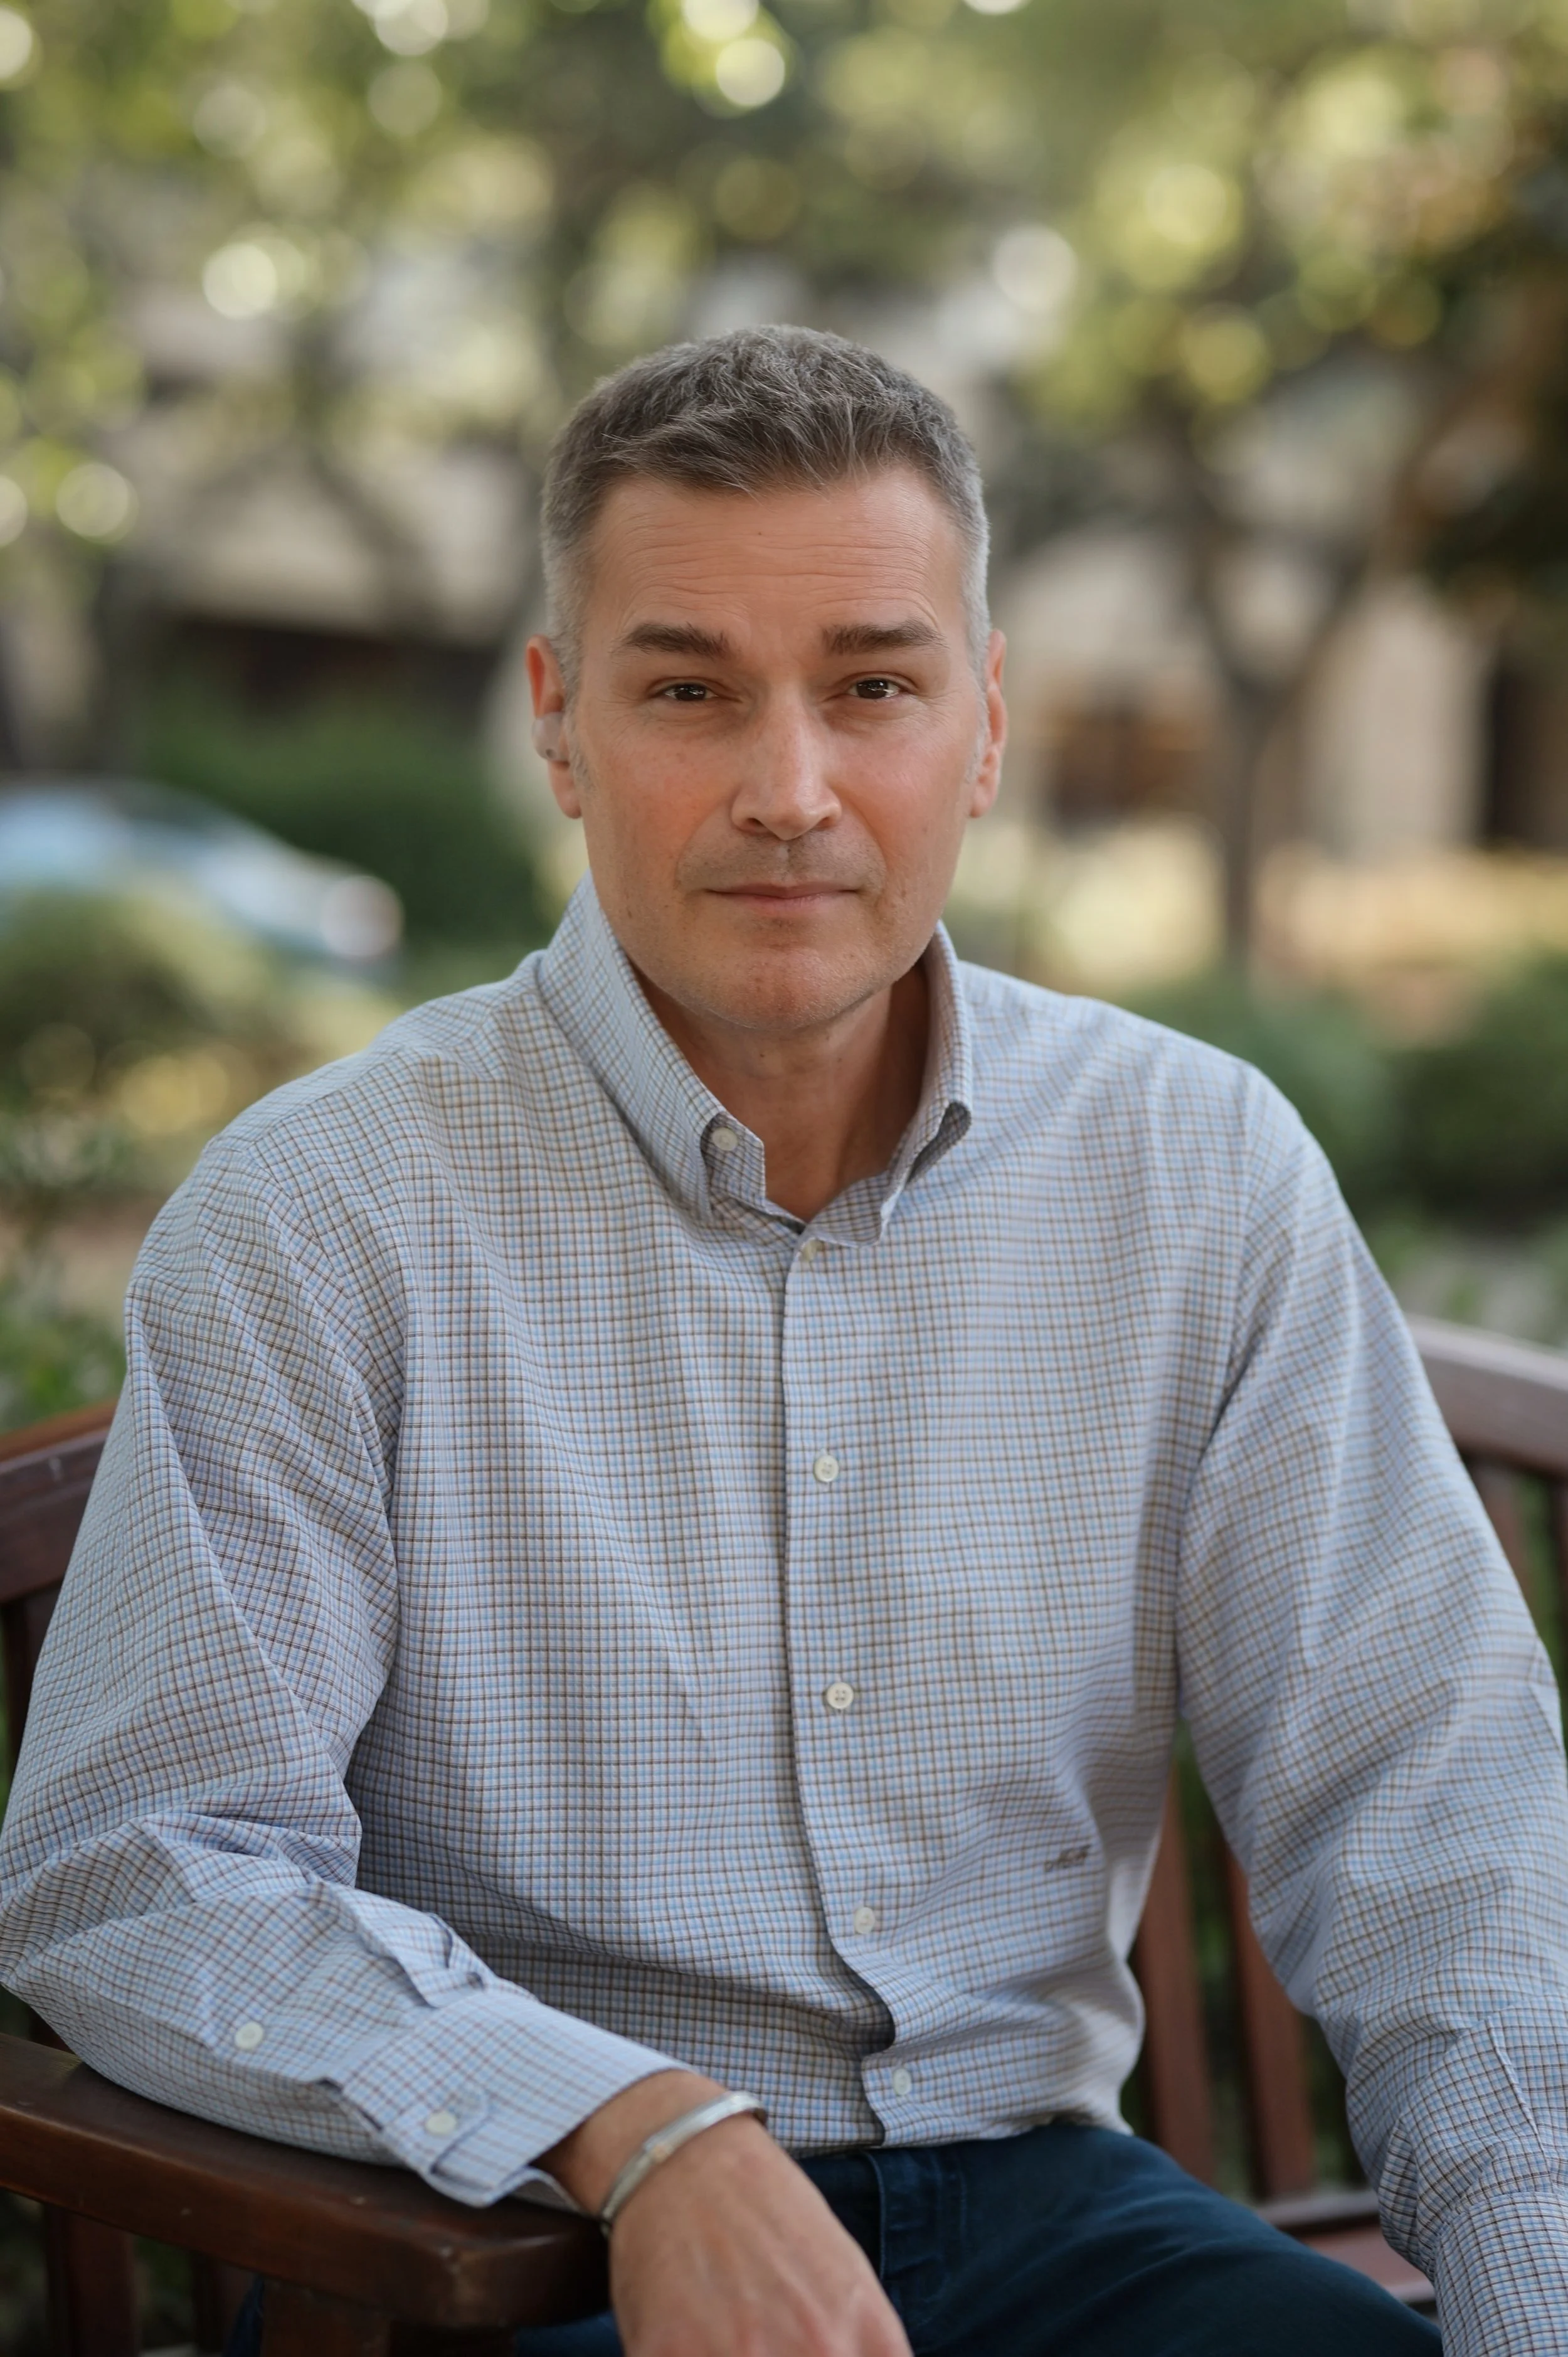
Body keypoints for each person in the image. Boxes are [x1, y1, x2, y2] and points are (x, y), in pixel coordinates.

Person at [1, 328, 1565, 2357]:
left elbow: (1432, 1814)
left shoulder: (1195, 1170)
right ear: (559, 725)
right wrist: (635, 2128)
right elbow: (142, 1867)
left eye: (872, 685)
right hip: (524, 2251)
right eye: (687, 689)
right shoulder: (324, 1213)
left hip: (1067, 2218)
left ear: (983, 723)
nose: (788, 789)